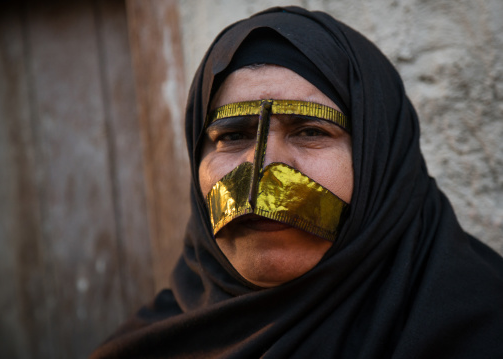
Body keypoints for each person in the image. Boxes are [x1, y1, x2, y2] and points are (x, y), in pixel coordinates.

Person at [90, 6, 503, 358]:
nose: (261, 170)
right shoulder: (152, 344)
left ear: (380, 159)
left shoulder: (483, 326)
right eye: (232, 136)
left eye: (310, 131)